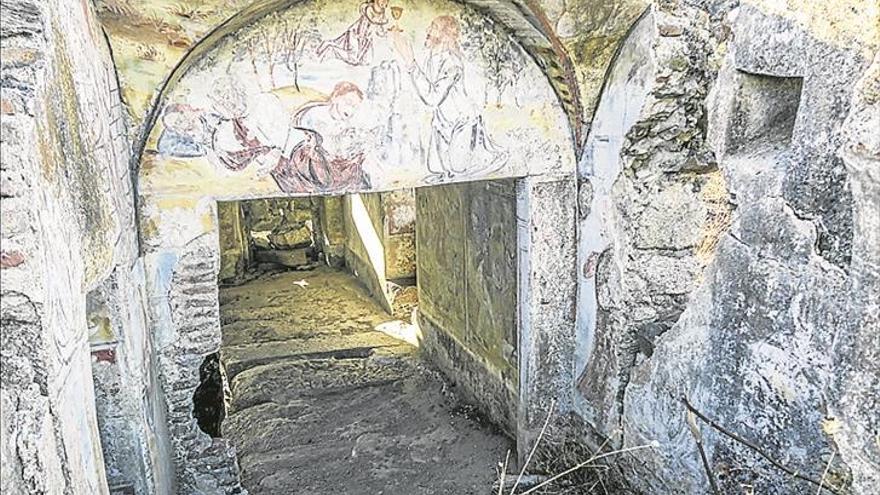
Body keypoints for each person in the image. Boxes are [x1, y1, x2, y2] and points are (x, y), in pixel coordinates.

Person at [392, 15, 507, 180]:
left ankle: (486, 155)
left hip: (463, 122)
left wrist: (410, 61)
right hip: (443, 123)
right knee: (434, 167)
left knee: (458, 168)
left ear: (444, 35)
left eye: (433, 28)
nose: (428, 31)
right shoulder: (432, 58)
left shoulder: (453, 64)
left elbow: (433, 98)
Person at [271, 81, 371, 193]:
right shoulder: (315, 114)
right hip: (308, 160)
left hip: (329, 160)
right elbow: (299, 137)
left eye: (354, 107)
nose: (350, 109)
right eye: (348, 102)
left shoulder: (345, 124)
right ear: (335, 98)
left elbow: (338, 148)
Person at [317, 0, 389, 66]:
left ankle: (329, 44)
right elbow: (371, 20)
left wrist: (384, 32)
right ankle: (331, 49)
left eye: (387, 0)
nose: (385, 2)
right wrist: (381, 22)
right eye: (383, 0)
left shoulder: (382, 12)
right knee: (353, 58)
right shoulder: (369, 8)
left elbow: (379, 30)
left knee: (367, 61)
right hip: (356, 34)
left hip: (366, 39)